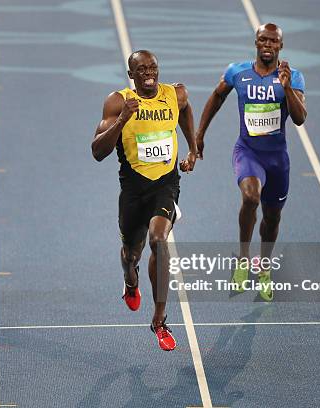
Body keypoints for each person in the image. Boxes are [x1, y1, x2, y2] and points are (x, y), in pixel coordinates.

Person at [92, 50, 197, 351]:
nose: (150, 74)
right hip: (133, 191)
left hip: (165, 185)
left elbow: (186, 109)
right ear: (131, 75)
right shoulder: (117, 102)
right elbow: (98, 151)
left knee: (159, 240)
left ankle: (160, 320)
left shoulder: (174, 94)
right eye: (142, 70)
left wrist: (192, 147)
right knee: (130, 255)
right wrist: (123, 119)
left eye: (153, 68)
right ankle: (130, 281)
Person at [195, 23, 307, 301]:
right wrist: (199, 133)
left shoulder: (293, 77)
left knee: (272, 218)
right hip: (248, 152)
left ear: (281, 46)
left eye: (273, 41)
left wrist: (287, 88)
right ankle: (243, 259)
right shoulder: (238, 72)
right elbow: (217, 96)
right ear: (256, 43)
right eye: (263, 40)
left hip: (277, 159)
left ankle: (264, 266)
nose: (267, 45)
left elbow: (300, 118)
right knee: (250, 197)